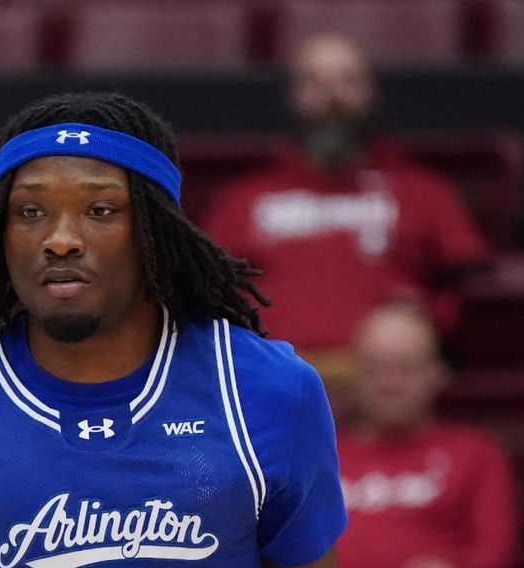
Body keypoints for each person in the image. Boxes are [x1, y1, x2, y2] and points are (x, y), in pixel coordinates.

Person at [0, 91, 347, 568]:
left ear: (156, 230)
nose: (60, 239)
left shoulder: (269, 391)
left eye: (100, 210)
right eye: (30, 211)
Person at [204, 33, 487, 374]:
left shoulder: (425, 192)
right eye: (315, 82)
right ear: (293, 95)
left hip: (388, 385)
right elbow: (205, 295)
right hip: (271, 382)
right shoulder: (241, 200)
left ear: (371, 92)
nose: (332, 96)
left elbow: (470, 290)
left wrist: (424, 321)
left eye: (347, 81)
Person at [336, 301, 517, 568]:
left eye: (405, 369)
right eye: (374, 368)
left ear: (436, 373)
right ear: (354, 375)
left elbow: (495, 555)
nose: (389, 383)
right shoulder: (319, 456)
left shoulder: (474, 453)